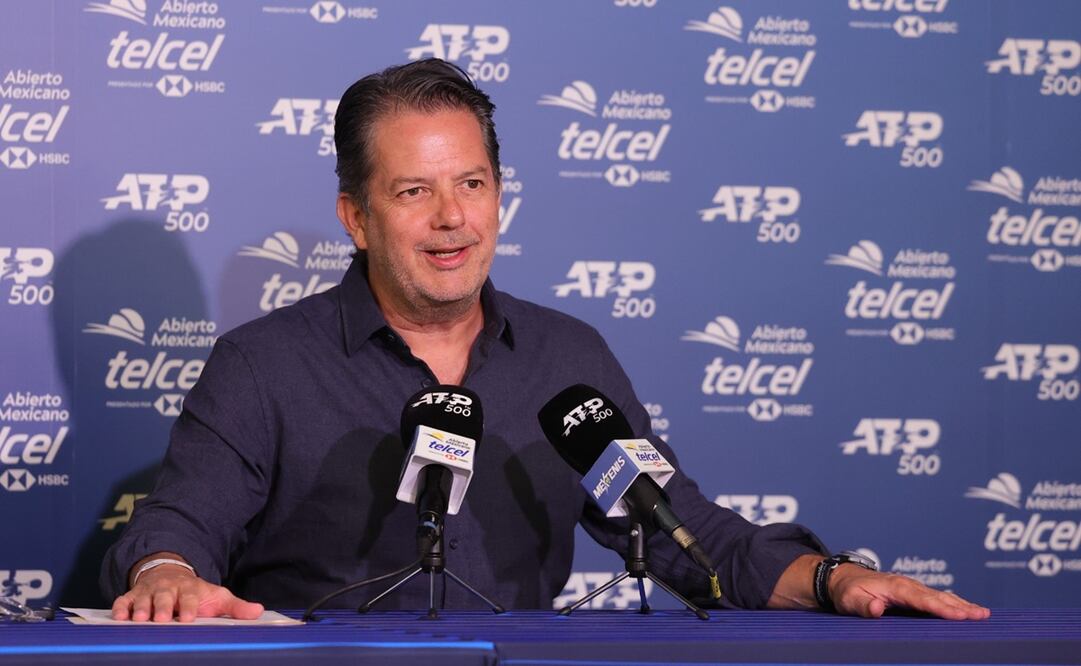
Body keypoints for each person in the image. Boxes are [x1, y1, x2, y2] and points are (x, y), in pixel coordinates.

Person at [103, 59, 989, 623]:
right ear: (356, 218)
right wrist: (167, 574)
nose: (452, 218)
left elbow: (690, 541)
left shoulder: (566, 358)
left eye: (472, 183)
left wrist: (832, 577)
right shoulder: (264, 364)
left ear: (498, 196)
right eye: (413, 191)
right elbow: (179, 529)